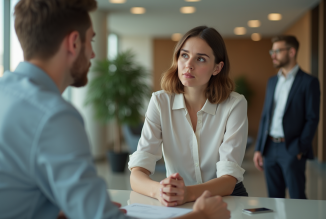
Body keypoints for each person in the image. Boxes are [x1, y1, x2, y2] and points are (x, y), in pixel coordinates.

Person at [0, 0, 231, 219]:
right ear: (74, 43)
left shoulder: (1, 93)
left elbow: (20, 194)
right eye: (91, 41)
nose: (93, 54)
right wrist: (202, 216)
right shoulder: (54, 117)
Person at [129, 26, 249, 207]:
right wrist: (160, 191)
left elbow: (229, 179)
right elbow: (137, 172)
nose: (188, 64)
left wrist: (188, 193)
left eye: (200, 59)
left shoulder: (235, 104)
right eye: (184, 55)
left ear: (217, 68)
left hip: (225, 197)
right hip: (178, 199)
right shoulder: (160, 101)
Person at [253, 35, 320, 199]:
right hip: (269, 147)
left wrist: (300, 148)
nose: (273, 55)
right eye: (272, 51)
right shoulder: (272, 81)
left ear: (291, 51)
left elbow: (312, 118)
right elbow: (265, 116)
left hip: (291, 148)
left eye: (277, 51)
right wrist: (259, 148)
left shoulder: (309, 82)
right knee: (274, 199)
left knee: (297, 198)